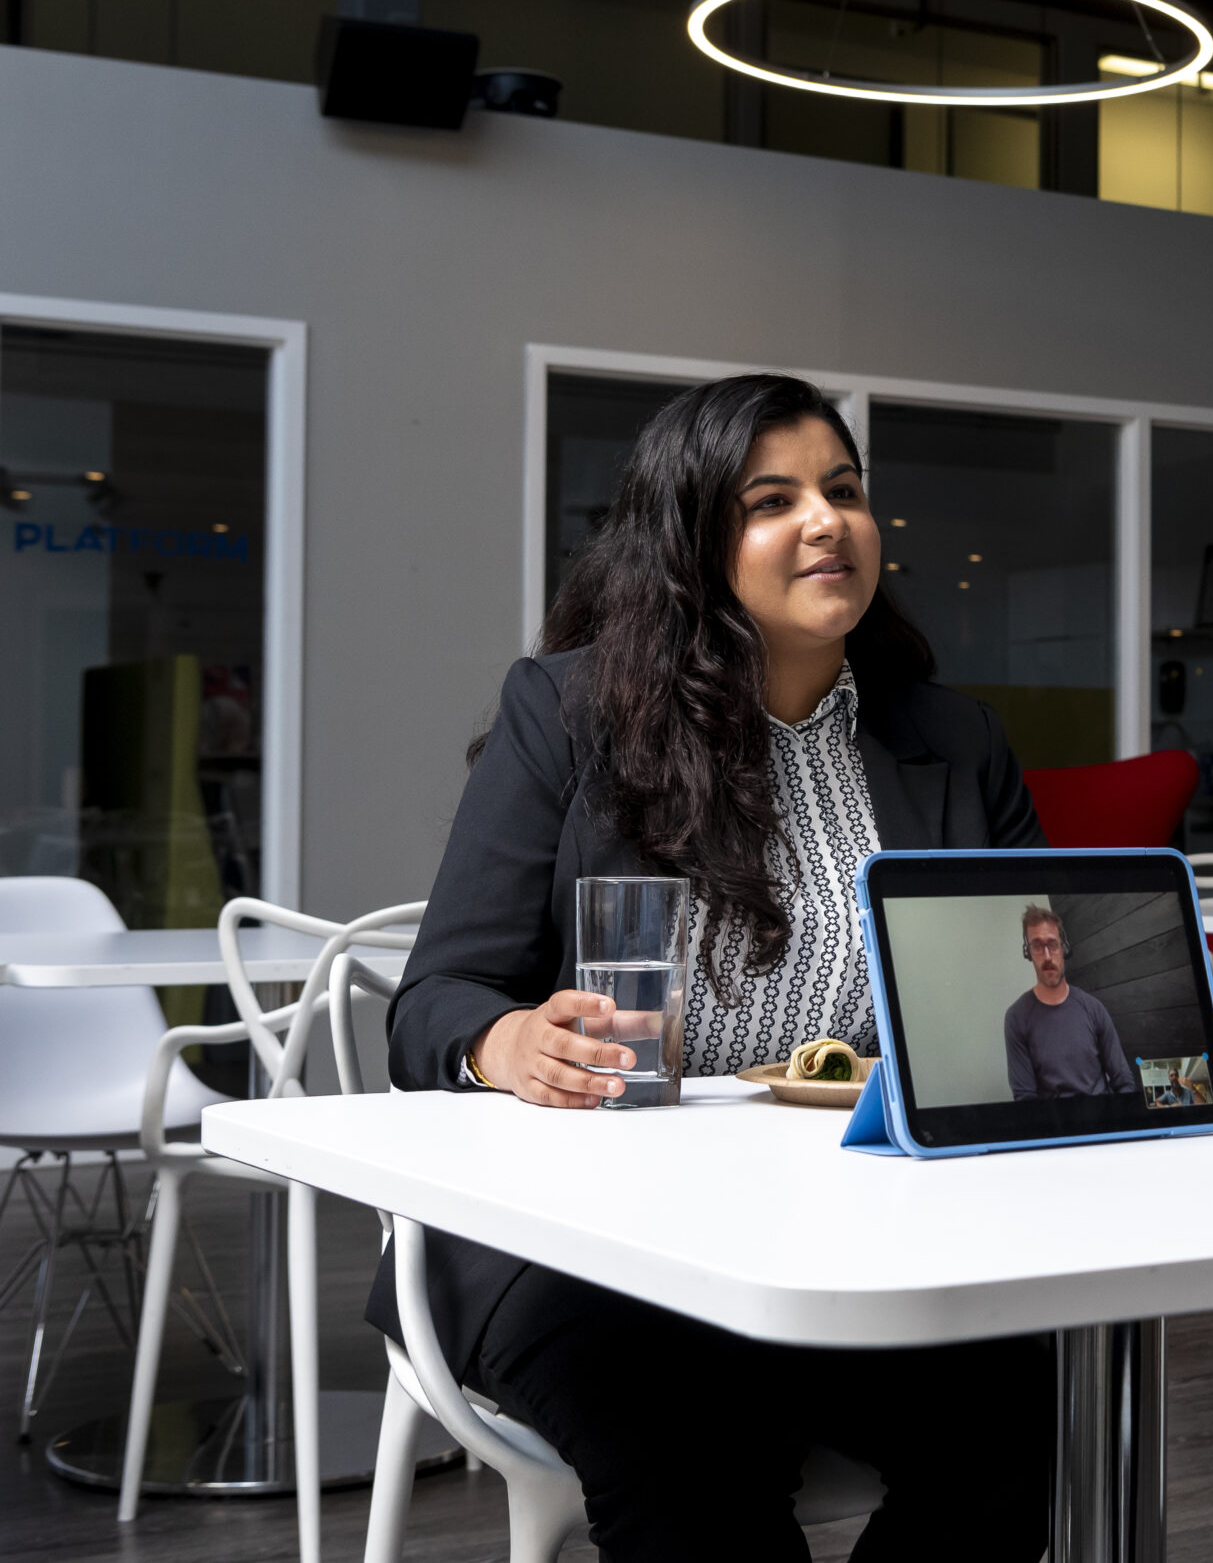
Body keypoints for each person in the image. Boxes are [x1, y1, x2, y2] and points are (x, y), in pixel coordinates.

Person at [369, 374, 1052, 1562]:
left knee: (1017, 1422)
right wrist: (510, 1041)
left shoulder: (952, 738)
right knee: (701, 1467)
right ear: (691, 539)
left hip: (850, 1224)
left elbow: (1025, 988)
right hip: (580, 1239)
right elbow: (434, 1001)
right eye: (771, 499)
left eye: (843, 490)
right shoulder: (570, 712)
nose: (826, 520)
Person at [1003, 904, 1137, 1100]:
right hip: (1057, 1126)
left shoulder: (1093, 1008)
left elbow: (1123, 1080)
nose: (1047, 956)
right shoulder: (1016, 1018)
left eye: (1052, 944)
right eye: (1038, 946)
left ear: (1063, 947)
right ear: (1028, 952)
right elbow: (1025, 1098)